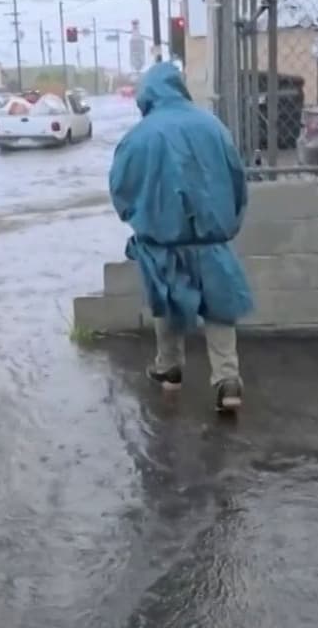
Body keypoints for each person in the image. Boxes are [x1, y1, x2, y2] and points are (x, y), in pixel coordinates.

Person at [109, 62, 254, 412]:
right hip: (211, 240)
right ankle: (227, 379)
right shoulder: (213, 126)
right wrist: (228, 225)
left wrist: (140, 220)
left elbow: (121, 189)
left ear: (147, 95)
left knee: (167, 300)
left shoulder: (139, 136)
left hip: (161, 241)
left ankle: (169, 366)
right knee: (219, 307)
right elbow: (237, 180)